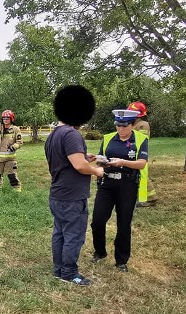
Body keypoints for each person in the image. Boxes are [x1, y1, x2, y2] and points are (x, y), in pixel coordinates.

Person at [45, 86, 104, 286]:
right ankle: (69, 273)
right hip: (72, 197)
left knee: (59, 233)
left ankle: (58, 269)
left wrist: (85, 157)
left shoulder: (54, 135)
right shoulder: (71, 135)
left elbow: (66, 160)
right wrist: (96, 170)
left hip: (58, 194)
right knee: (73, 235)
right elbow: (79, 166)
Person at [90, 109, 149, 272]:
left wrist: (123, 162)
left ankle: (121, 260)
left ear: (132, 125)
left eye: (124, 126)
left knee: (124, 224)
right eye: (118, 125)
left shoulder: (141, 139)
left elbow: (142, 163)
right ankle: (100, 252)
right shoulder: (108, 138)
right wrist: (100, 161)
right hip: (107, 183)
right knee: (98, 220)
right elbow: (101, 159)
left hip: (127, 185)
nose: (120, 129)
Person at [127, 101, 158, 206]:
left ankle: (150, 198)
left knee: (142, 175)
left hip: (140, 153)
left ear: (138, 115)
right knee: (135, 175)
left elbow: (140, 139)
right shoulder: (134, 124)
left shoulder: (143, 125)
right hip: (132, 153)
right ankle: (140, 196)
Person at [0, 110, 23, 191]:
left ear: (11, 119)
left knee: (12, 176)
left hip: (10, 158)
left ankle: (17, 191)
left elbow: (20, 142)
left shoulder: (15, 129)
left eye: (7, 118)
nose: (5, 120)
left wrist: (14, 147)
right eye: (4, 118)